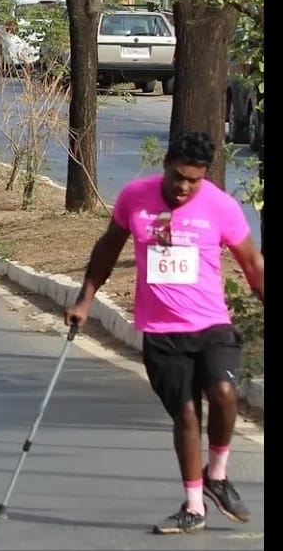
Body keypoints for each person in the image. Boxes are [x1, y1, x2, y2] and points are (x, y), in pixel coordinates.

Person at [63, 131, 264, 535]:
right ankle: (194, 506)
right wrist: (85, 299)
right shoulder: (135, 197)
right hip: (161, 332)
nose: (184, 187)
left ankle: (217, 475)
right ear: (166, 165)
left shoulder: (221, 206)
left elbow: (251, 263)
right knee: (186, 414)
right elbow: (107, 249)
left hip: (211, 324)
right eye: (178, 177)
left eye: (194, 180)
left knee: (224, 393)